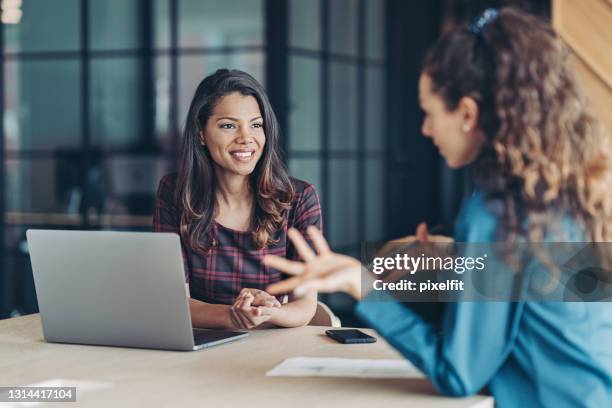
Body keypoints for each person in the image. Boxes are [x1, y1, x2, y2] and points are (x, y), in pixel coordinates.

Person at [263, 8, 612, 408]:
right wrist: (458, 260)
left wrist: (361, 284)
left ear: (466, 113)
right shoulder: (566, 188)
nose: (425, 130)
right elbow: (545, 305)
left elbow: (458, 374)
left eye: (429, 113)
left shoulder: (496, 211)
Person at [154, 69, 321, 330]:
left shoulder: (298, 198)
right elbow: (173, 302)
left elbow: (304, 307)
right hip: (201, 342)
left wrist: (264, 311)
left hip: (270, 342)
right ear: (201, 133)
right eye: (228, 126)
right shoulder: (175, 192)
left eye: (256, 125)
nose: (246, 138)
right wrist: (231, 316)